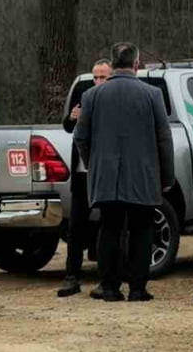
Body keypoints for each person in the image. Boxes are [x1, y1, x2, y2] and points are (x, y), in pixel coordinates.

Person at [74, 42, 174, 302]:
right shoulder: (152, 95)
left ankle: (109, 287)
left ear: (113, 63)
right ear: (136, 64)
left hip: (106, 174)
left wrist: (94, 164)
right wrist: (166, 175)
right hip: (142, 173)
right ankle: (138, 288)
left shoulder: (92, 96)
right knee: (142, 229)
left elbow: (81, 137)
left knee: (109, 228)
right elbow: (164, 139)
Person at [56, 58, 112, 298]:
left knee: (110, 225)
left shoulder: (113, 100)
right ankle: (72, 276)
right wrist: (72, 117)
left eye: (103, 77)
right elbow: (68, 127)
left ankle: (109, 278)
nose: (98, 81)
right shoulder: (84, 94)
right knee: (76, 227)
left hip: (104, 171)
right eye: (95, 77)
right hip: (81, 172)